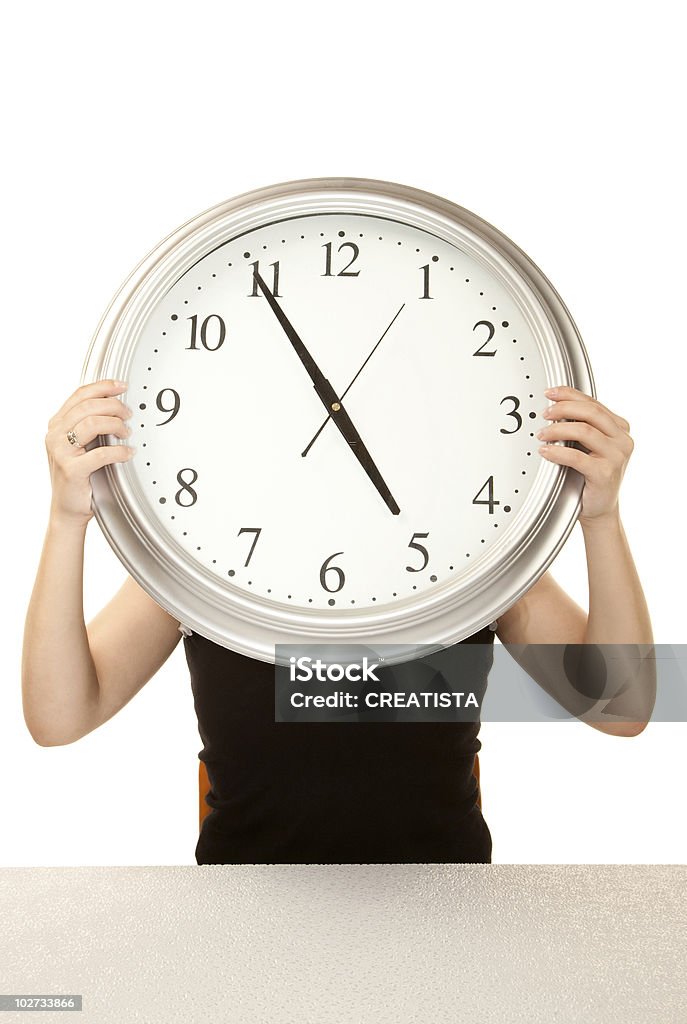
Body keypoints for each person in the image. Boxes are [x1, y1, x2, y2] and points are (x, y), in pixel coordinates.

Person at [21, 379, 655, 864]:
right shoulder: (210, 557)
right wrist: (64, 521)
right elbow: (61, 716)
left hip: (448, 917)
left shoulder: (468, 555)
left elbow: (620, 706)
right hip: (243, 917)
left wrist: (601, 519)